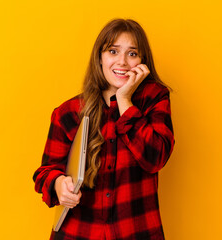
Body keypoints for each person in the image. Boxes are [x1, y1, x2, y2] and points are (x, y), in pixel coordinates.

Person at [33, 18, 175, 240]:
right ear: (99, 58)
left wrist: (125, 100)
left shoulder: (154, 98)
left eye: (132, 53)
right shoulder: (68, 113)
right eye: (113, 51)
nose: (123, 62)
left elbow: (156, 157)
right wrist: (59, 184)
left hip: (137, 233)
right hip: (78, 233)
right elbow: (44, 173)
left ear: (142, 62)